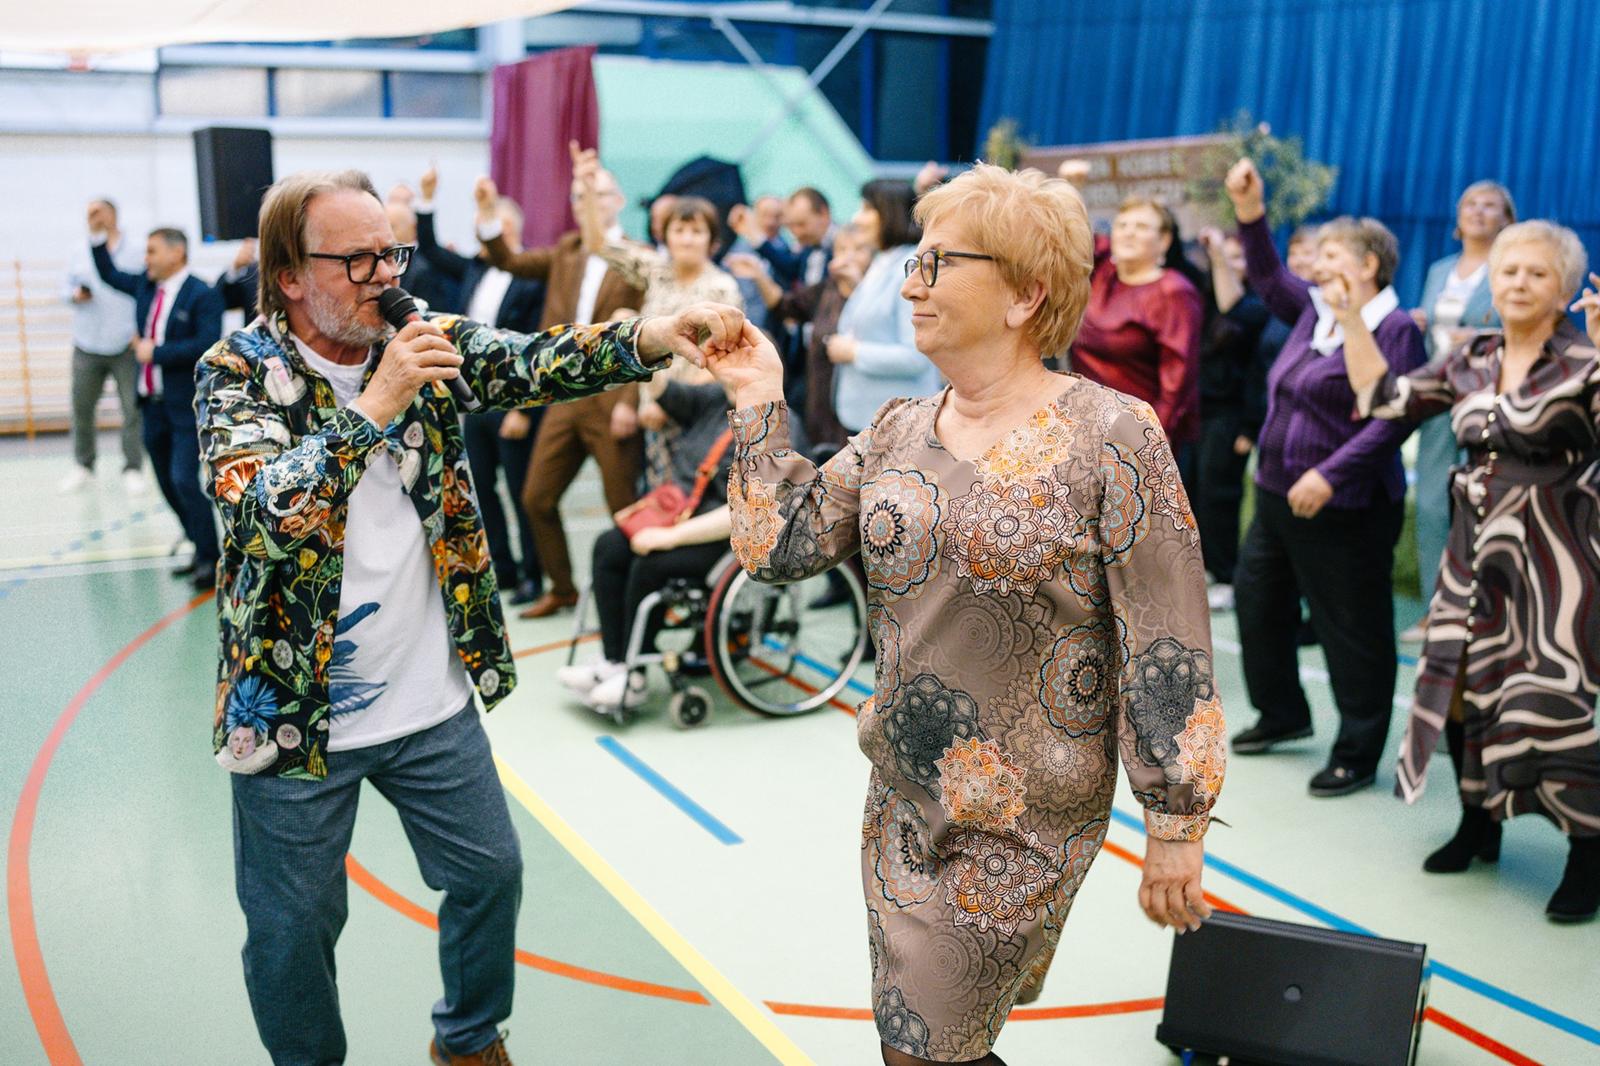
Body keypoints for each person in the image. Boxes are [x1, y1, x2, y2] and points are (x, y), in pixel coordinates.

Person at [192, 167, 745, 1065]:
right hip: (291, 710)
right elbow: (260, 516)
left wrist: (651, 336)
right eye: (357, 260)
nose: (385, 276)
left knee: (491, 874)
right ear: (289, 275)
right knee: (292, 929)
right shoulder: (237, 373)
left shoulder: (419, 340)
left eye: (392, 254)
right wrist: (376, 406)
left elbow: (530, 360)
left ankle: (469, 1037)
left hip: (427, 701)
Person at [706, 164, 1221, 1066]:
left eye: (938, 264)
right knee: (916, 1040)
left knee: (925, 1048)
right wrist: (756, 399)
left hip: (1025, 816)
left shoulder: (1113, 434)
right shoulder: (899, 428)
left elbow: (1166, 639)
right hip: (901, 798)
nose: (912, 285)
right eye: (916, 261)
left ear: (1025, 294)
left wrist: (1176, 825)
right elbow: (776, 547)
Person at [1346, 222, 1600, 923]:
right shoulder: (1471, 356)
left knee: (1553, 700)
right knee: (1460, 688)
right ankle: (1478, 822)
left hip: (1557, 561)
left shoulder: (1586, 358)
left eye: (1537, 273)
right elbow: (1384, 397)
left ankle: (1588, 851)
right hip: (1471, 556)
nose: (1518, 282)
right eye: (1509, 270)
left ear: (1565, 290)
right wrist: (1351, 319)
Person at [1222, 158, 1426, 797]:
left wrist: (1331, 476)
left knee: (1351, 628)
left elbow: (1394, 421)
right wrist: (1250, 211)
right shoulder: (1315, 311)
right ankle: (1282, 713)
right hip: (1277, 493)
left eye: (1332, 253)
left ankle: (1358, 751)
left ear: (1369, 264)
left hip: (1346, 505)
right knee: (1258, 604)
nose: (1317, 261)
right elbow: (1266, 276)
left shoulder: (1396, 328)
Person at [474, 157, 648, 621]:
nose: (586, 201)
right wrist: (489, 214)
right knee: (536, 497)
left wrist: (630, 400)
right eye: (578, 195)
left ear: (619, 201)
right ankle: (563, 588)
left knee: (623, 508)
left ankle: (631, 601)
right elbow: (508, 260)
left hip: (613, 397)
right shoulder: (565, 251)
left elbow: (648, 331)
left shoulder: (638, 257)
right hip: (564, 396)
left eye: (596, 193)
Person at [557, 377, 735, 711]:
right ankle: (614, 660)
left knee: (650, 563)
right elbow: (666, 391)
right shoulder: (715, 400)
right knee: (609, 545)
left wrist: (670, 537)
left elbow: (745, 513)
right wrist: (648, 353)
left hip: (725, 536)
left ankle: (634, 673)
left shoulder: (778, 428)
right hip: (681, 513)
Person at [416, 169, 550, 606]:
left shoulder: (534, 275)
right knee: (480, 488)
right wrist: (427, 199)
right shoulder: (476, 266)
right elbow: (430, 249)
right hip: (474, 399)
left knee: (521, 490)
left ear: (511, 229)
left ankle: (534, 575)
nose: (484, 233)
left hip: (515, 398)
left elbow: (538, 342)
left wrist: (523, 410)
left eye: (493, 225)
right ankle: (503, 569)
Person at [1400, 181, 1514, 642]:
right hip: (1440, 397)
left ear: (1507, 219)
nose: (1478, 211)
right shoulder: (1440, 269)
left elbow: (1527, 329)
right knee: (1432, 505)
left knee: (1482, 504)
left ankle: (1482, 613)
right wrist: (1419, 323)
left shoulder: (1511, 268)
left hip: (1489, 400)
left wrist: (1486, 337)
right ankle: (1435, 609)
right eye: (1470, 203)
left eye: (1490, 204)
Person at [90, 212, 223, 588]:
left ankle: (212, 558)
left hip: (185, 406)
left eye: (152, 251)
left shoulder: (202, 294)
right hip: (151, 405)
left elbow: (207, 345)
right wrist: (99, 235)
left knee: (184, 479)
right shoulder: (146, 286)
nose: (145, 258)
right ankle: (198, 545)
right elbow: (109, 274)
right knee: (165, 481)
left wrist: (156, 353)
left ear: (176, 252)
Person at [1067, 192, 1205, 463]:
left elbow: (1178, 378)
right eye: (1122, 225)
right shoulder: (1103, 273)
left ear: (1164, 241)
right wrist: (1075, 188)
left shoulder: (1173, 292)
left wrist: (1154, 437)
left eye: (1141, 227)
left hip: (1138, 436)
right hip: (1086, 426)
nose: (1128, 232)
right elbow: (1075, 237)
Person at [729, 223, 871, 449]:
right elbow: (785, 306)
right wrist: (758, 274)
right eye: (842, 249)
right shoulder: (828, 288)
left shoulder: (877, 294)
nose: (849, 257)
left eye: (859, 249)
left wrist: (858, 287)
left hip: (858, 408)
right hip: (820, 402)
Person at [1193, 228, 1275, 609]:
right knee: (1196, 492)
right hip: (1200, 412)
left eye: (1238, 257)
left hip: (1233, 416)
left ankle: (1227, 573)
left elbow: (1258, 373)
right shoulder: (1203, 297)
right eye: (1226, 257)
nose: (1230, 263)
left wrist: (1249, 427)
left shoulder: (1257, 307)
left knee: (1221, 496)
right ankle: (1207, 566)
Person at [829, 179, 939, 434]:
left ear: (890, 213)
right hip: (870, 420)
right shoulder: (883, 262)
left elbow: (916, 356)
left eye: (868, 209)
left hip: (898, 427)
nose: (857, 219)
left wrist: (854, 352)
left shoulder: (909, 268)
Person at [62, 197, 144, 494]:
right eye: (89, 213)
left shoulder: (136, 250)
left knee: (132, 409)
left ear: (113, 214)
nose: (93, 217)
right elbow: (64, 288)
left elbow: (145, 290)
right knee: (81, 407)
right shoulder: (78, 250)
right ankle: (83, 465)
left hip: (126, 343)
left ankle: (133, 468)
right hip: (87, 342)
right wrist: (75, 295)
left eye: (98, 212)